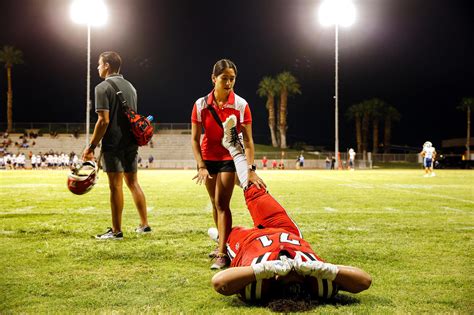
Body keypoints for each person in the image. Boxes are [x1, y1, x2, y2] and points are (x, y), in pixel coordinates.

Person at [210, 126, 372, 304]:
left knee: (224, 235)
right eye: (297, 281)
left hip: (249, 241)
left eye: (287, 281)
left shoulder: (259, 285)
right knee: (255, 190)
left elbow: (220, 282)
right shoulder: (316, 280)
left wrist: (265, 268)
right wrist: (321, 268)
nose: (291, 275)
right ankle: (234, 148)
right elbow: (364, 281)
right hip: (286, 230)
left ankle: (217, 234)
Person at [191, 59, 264, 269]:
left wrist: (250, 170)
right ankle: (223, 243)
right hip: (208, 158)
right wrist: (201, 165)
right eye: (224, 78)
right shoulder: (200, 105)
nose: (229, 83)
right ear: (214, 79)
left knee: (222, 204)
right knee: (215, 203)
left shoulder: (241, 105)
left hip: (229, 157)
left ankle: (222, 253)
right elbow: (195, 140)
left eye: (232, 79)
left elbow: (248, 142)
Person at [82, 51, 151, 240]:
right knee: (133, 183)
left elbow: (103, 121)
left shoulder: (102, 88)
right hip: (131, 143)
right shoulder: (131, 87)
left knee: (115, 186)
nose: (97, 67)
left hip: (113, 144)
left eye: (99, 64)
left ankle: (116, 230)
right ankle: (144, 224)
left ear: (107, 66)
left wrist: (91, 146)